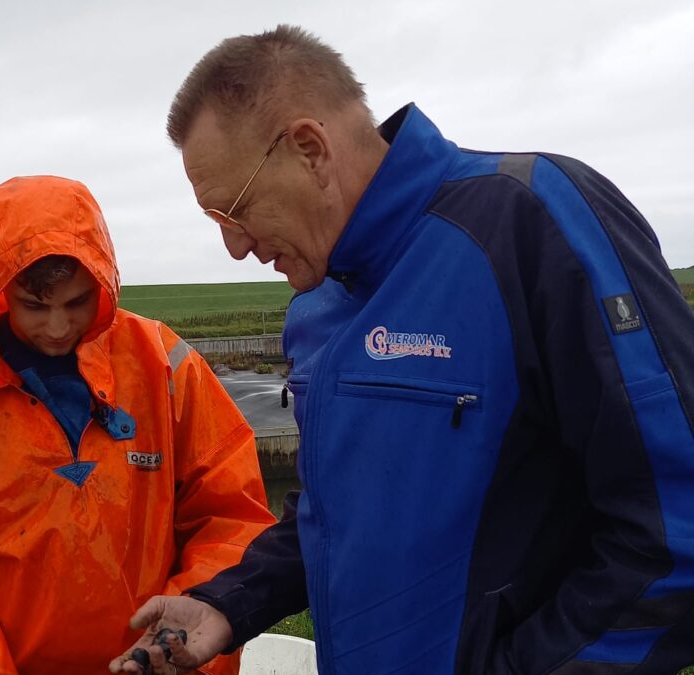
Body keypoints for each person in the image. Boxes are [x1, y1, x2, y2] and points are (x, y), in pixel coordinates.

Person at [112, 25, 694, 674]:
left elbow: (676, 525)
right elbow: (333, 513)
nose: (237, 248)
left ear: (309, 149)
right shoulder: (314, 308)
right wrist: (230, 603)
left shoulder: (529, 222)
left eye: (236, 212)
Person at [0, 175, 275, 674]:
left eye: (77, 303)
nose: (57, 328)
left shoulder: (165, 366)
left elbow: (232, 518)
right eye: (35, 306)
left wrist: (182, 644)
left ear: (103, 285)